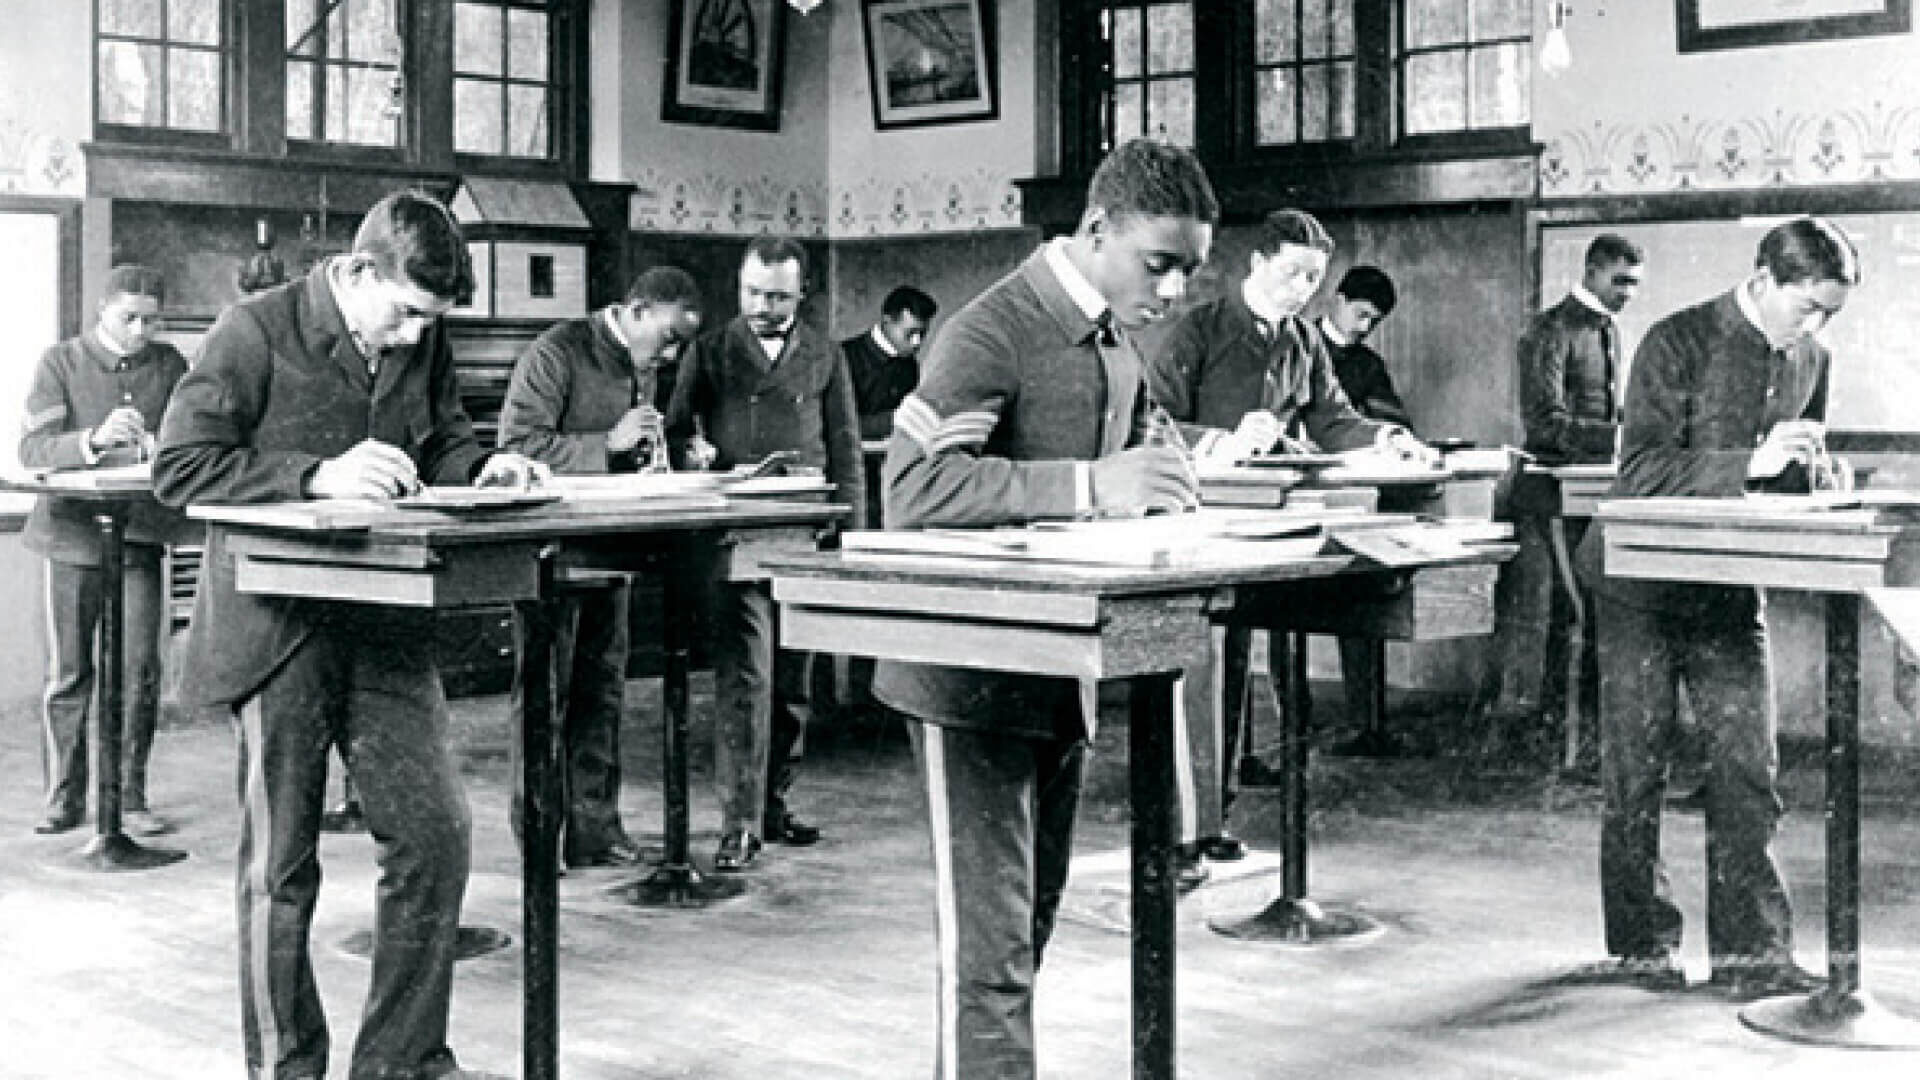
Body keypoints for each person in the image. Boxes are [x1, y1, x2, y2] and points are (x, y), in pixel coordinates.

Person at [153, 190, 548, 1080]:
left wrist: (486, 466)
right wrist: (316, 474)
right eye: (406, 316)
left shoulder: (419, 330)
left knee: (437, 834)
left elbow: (442, 440)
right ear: (361, 272)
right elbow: (180, 466)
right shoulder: (255, 330)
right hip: (276, 627)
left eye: (430, 323)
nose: (414, 338)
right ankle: (288, 1070)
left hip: (385, 626)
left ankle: (402, 1062)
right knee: (279, 870)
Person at [876, 138, 1213, 1078]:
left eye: (1191, 270)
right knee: (991, 962)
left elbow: (1138, 456)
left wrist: (1167, 478)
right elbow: (914, 488)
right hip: (965, 675)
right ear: (1097, 230)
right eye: (1161, 264)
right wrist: (1096, 485)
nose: (1177, 289)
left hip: (1054, 672)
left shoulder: (1115, 344)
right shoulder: (992, 329)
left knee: (1027, 930)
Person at [1575, 216, 1857, 1000]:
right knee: (1637, 769)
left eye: (1829, 314)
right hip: (1638, 583)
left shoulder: (1812, 356)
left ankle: (1753, 956)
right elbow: (1640, 470)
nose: (1816, 327)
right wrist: (1753, 460)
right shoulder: (1676, 339)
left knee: (1748, 769)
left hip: (1726, 586)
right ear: (1764, 279)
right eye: (1807, 307)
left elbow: (1786, 473)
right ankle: (1641, 948)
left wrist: (1813, 476)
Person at [1147, 211, 1436, 825]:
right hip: (1200, 520)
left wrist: (1385, 438)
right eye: (1293, 274)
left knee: (1242, 663)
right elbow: (1154, 423)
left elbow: (1333, 417)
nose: (1303, 290)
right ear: (1257, 264)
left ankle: (1210, 822)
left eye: (1313, 279)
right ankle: (1190, 827)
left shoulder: (1303, 340)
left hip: (1265, 522)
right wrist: (1225, 440)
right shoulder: (1199, 329)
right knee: (1205, 675)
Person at [665, 236, 865, 871]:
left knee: (794, 680)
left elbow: (846, 445)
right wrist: (692, 453)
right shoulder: (710, 352)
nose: (763, 306)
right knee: (746, 677)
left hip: (804, 534)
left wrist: (848, 531)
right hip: (737, 538)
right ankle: (740, 823)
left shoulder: (826, 354)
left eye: (778, 296)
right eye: (753, 292)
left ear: (801, 294)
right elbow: (673, 432)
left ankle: (775, 804)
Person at [497, 266, 704, 869]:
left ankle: (595, 830)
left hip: (611, 552)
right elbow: (515, 449)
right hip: (552, 555)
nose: (670, 356)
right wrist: (606, 445)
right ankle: (540, 834)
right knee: (546, 693)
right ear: (635, 310)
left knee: (604, 690)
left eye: (681, 346)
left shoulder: (645, 365)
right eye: (666, 339)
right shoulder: (556, 353)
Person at [19, 264, 190, 838]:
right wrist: (92, 440)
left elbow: (194, 441)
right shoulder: (60, 362)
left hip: (138, 538)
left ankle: (128, 796)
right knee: (71, 672)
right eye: (129, 318)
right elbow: (32, 448)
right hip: (71, 540)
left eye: (151, 320)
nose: (141, 331)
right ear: (102, 313)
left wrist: (162, 444)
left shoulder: (171, 367)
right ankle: (63, 797)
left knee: (140, 671)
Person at [1491, 234, 1645, 758]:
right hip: (1551, 497)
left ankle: (1589, 744)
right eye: (1620, 281)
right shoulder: (1548, 330)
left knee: (1597, 616)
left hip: (1595, 493)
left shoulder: (1611, 332)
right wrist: (1617, 439)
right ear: (1592, 271)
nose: (1628, 293)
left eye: (1634, 284)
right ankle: (1569, 746)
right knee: (1573, 619)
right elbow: (1543, 424)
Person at [1313, 264, 1415, 757]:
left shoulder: (1368, 364)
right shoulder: (1298, 345)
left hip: (1356, 492)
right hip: (1304, 491)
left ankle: (1364, 722)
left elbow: (1394, 416)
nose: (1362, 326)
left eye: (1373, 320)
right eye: (1359, 314)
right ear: (1337, 298)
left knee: (1361, 603)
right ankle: (1294, 723)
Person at [842, 285, 937, 440]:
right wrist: (897, 420)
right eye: (911, 333)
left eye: (922, 333)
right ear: (887, 322)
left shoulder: (909, 365)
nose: (917, 342)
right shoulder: (843, 358)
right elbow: (837, 425)